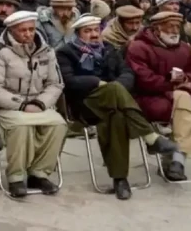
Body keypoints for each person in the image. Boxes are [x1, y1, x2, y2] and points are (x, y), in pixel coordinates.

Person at [57, 14, 177, 199]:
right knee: (113, 91)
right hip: (85, 104)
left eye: (96, 30)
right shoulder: (66, 52)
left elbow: (127, 73)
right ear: (78, 34)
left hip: (115, 102)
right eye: (87, 31)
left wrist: (116, 87)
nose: (94, 34)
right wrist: (98, 83)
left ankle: (120, 179)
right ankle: (150, 137)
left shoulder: (109, 49)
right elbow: (68, 81)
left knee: (117, 117)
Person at [0, 11, 67, 198]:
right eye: (23, 30)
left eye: (31, 29)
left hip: (39, 104)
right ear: (11, 30)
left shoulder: (46, 51)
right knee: (21, 125)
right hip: (6, 107)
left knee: (59, 124)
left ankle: (39, 173)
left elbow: (55, 84)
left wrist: (41, 103)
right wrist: (22, 105)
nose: (28, 34)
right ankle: (16, 177)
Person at [126, 11, 191, 181]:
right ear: (157, 29)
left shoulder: (185, 48)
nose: (175, 31)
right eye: (170, 27)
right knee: (188, 108)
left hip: (178, 97)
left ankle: (174, 159)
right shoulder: (138, 47)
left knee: (185, 104)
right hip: (148, 97)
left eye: (177, 27)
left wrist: (186, 79)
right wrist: (172, 83)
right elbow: (142, 79)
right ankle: (177, 160)